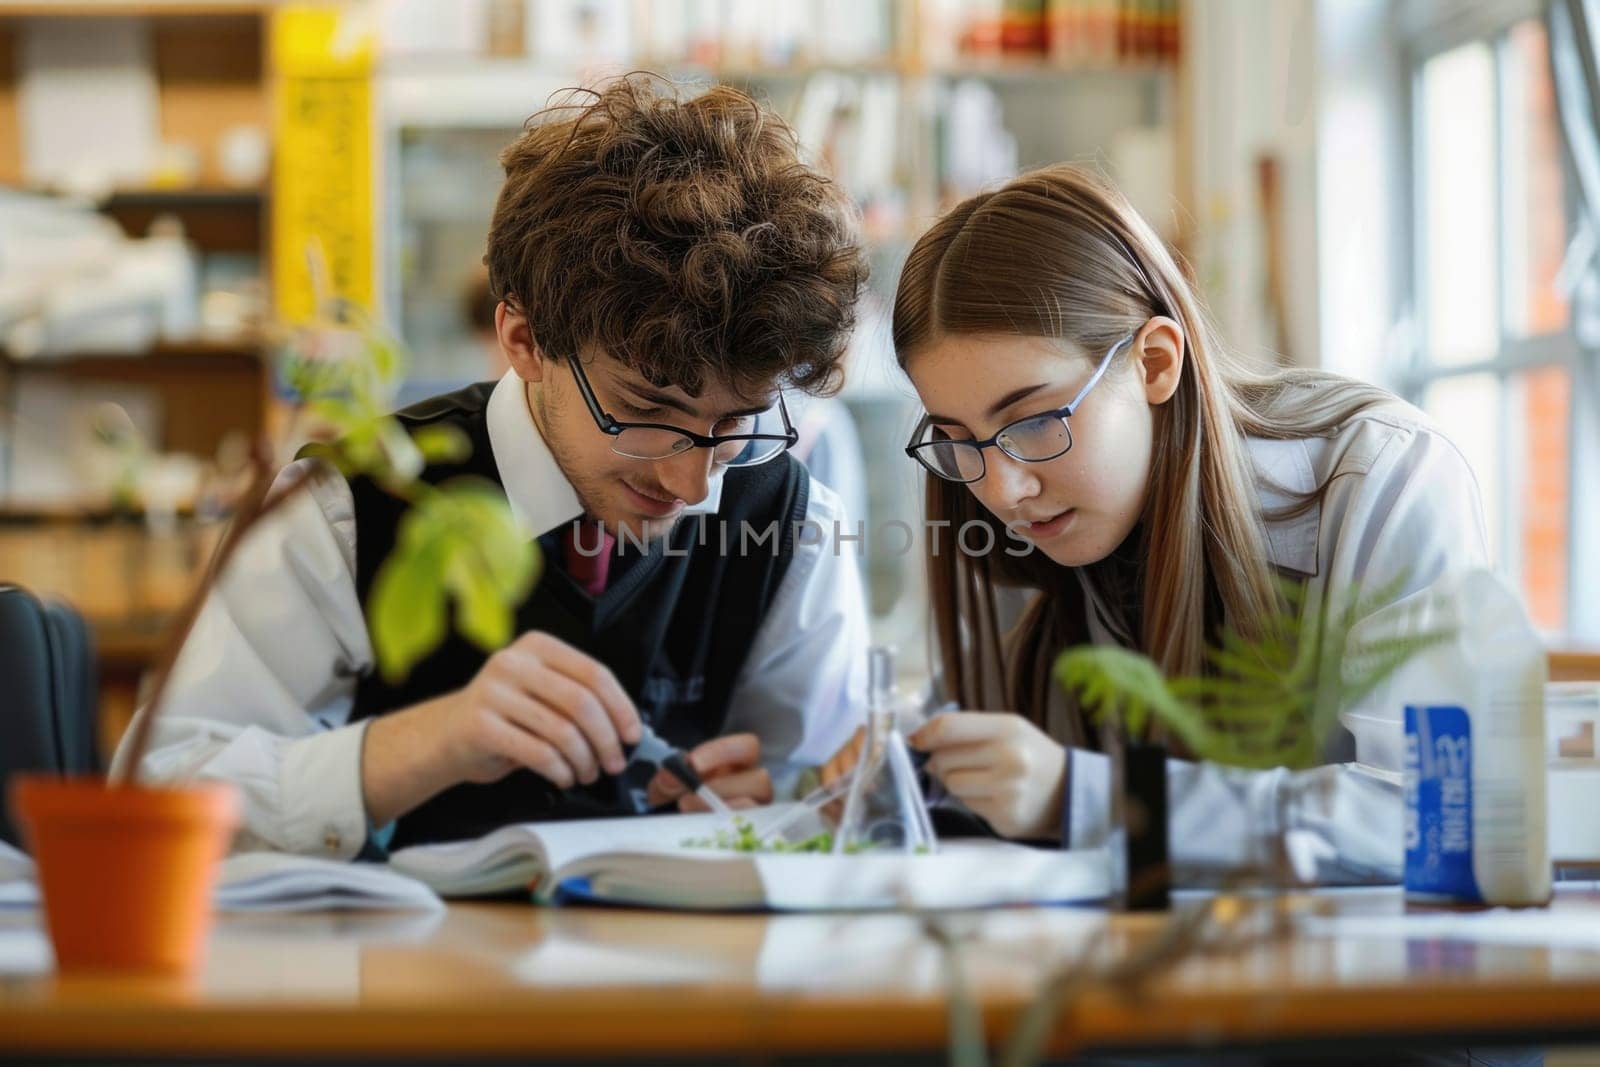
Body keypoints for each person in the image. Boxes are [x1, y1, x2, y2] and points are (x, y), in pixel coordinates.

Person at [112, 77, 871, 857]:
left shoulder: (793, 524)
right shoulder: (349, 505)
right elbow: (153, 793)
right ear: (523, 338)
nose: (694, 484)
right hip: (394, 972)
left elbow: (840, 790)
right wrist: (418, 745)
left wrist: (778, 804)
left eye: (735, 423)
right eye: (646, 413)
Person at [866, 163, 1490, 883]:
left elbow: (1435, 814)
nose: (1003, 488)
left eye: (1034, 421)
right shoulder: (1029, 525)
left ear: (1155, 362)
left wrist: (1087, 798)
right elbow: (959, 750)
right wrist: (871, 776)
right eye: (960, 439)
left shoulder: (1385, 478)